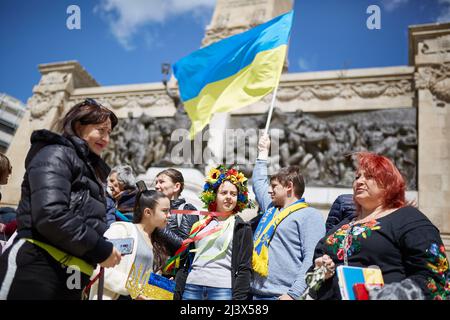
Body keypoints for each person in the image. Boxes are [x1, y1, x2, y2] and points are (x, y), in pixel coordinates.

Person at [0, 98, 122, 300]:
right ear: (78, 125)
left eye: (109, 133)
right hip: (36, 267)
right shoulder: (56, 153)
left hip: (72, 276)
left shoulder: (92, 172)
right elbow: (50, 214)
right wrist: (100, 249)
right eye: (101, 130)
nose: (106, 139)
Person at [311, 152, 450, 300]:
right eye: (357, 177)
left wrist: (389, 295)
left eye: (369, 176)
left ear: (389, 183)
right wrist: (321, 274)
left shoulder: (408, 219)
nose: (359, 181)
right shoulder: (340, 227)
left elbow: (437, 277)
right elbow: (312, 285)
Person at [251, 133, 325, 300]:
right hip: (254, 294)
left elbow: (312, 258)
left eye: (275, 186)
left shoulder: (310, 215)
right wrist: (263, 153)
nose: (269, 190)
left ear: (289, 187)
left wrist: (293, 294)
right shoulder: (271, 208)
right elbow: (258, 182)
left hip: (283, 296)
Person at [168, 165, 254, 300]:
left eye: (233, 194)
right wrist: (178, 291)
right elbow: (185, 263)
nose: (228, 197)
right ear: (214, 195)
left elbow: (244, 269)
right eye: (223, 193)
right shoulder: (199, 225)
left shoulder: (242, 228)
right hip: (191, 287)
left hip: (222, 290)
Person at [89, 190, 171, 300]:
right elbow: (98, 267)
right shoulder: (123, 231)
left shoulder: (157, 242)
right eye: (165, 211)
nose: (169, 215)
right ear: (147, 212)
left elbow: (143, 282)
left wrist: (161, 288)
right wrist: (133, 288)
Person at [154, 168, 198, 255]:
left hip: (173, 267)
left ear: (176, 187)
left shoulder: (187, 210)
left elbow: (185, 247)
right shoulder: (153, 210)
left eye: (161, 182)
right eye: (156, 183)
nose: (156, 186)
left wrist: (158, 225)